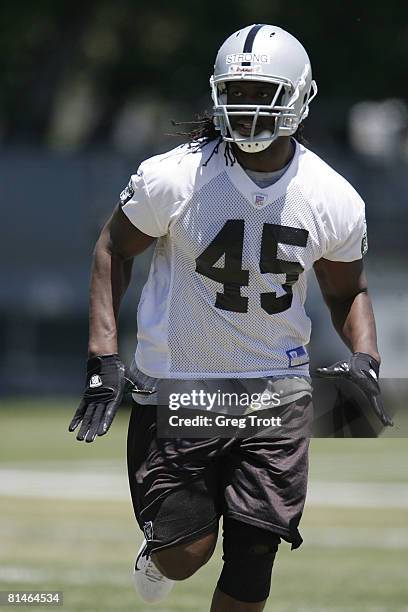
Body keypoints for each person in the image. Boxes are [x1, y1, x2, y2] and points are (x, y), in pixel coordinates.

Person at [69, 24, 393, 612]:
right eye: (236, 93)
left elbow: (350, 290)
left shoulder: (333, 196)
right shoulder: (174, 177)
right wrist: (103, 356)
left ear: (299, 95)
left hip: (277, 392)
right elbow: (113, 249)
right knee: (185, 554)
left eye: (264, 92)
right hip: (180, 387)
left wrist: (367, 362)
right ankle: (159, 552)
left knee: (254, 556)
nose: (247, 109)